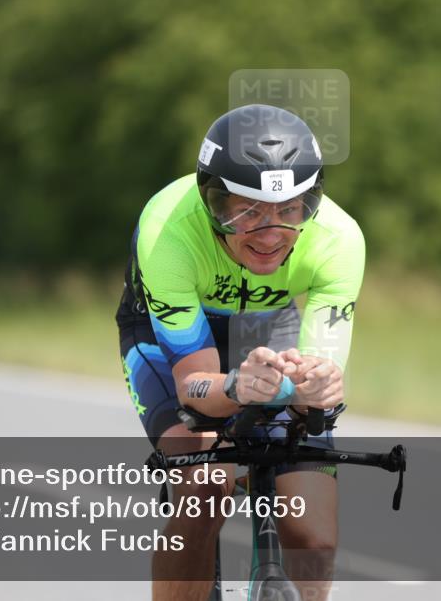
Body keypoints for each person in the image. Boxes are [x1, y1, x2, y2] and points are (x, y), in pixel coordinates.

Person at [116, 104, 365, 601]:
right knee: (206, 487)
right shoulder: (169, 232)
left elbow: (319, 374)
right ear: (213, 202)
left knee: (312, 534)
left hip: (268, 328)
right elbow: (195, 387)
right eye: (246, 210)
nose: (269, 233)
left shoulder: (339, 240)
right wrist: (234, 386)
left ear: (310, 202)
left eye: (290, 210)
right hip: (171, 339)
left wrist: (316, 387)